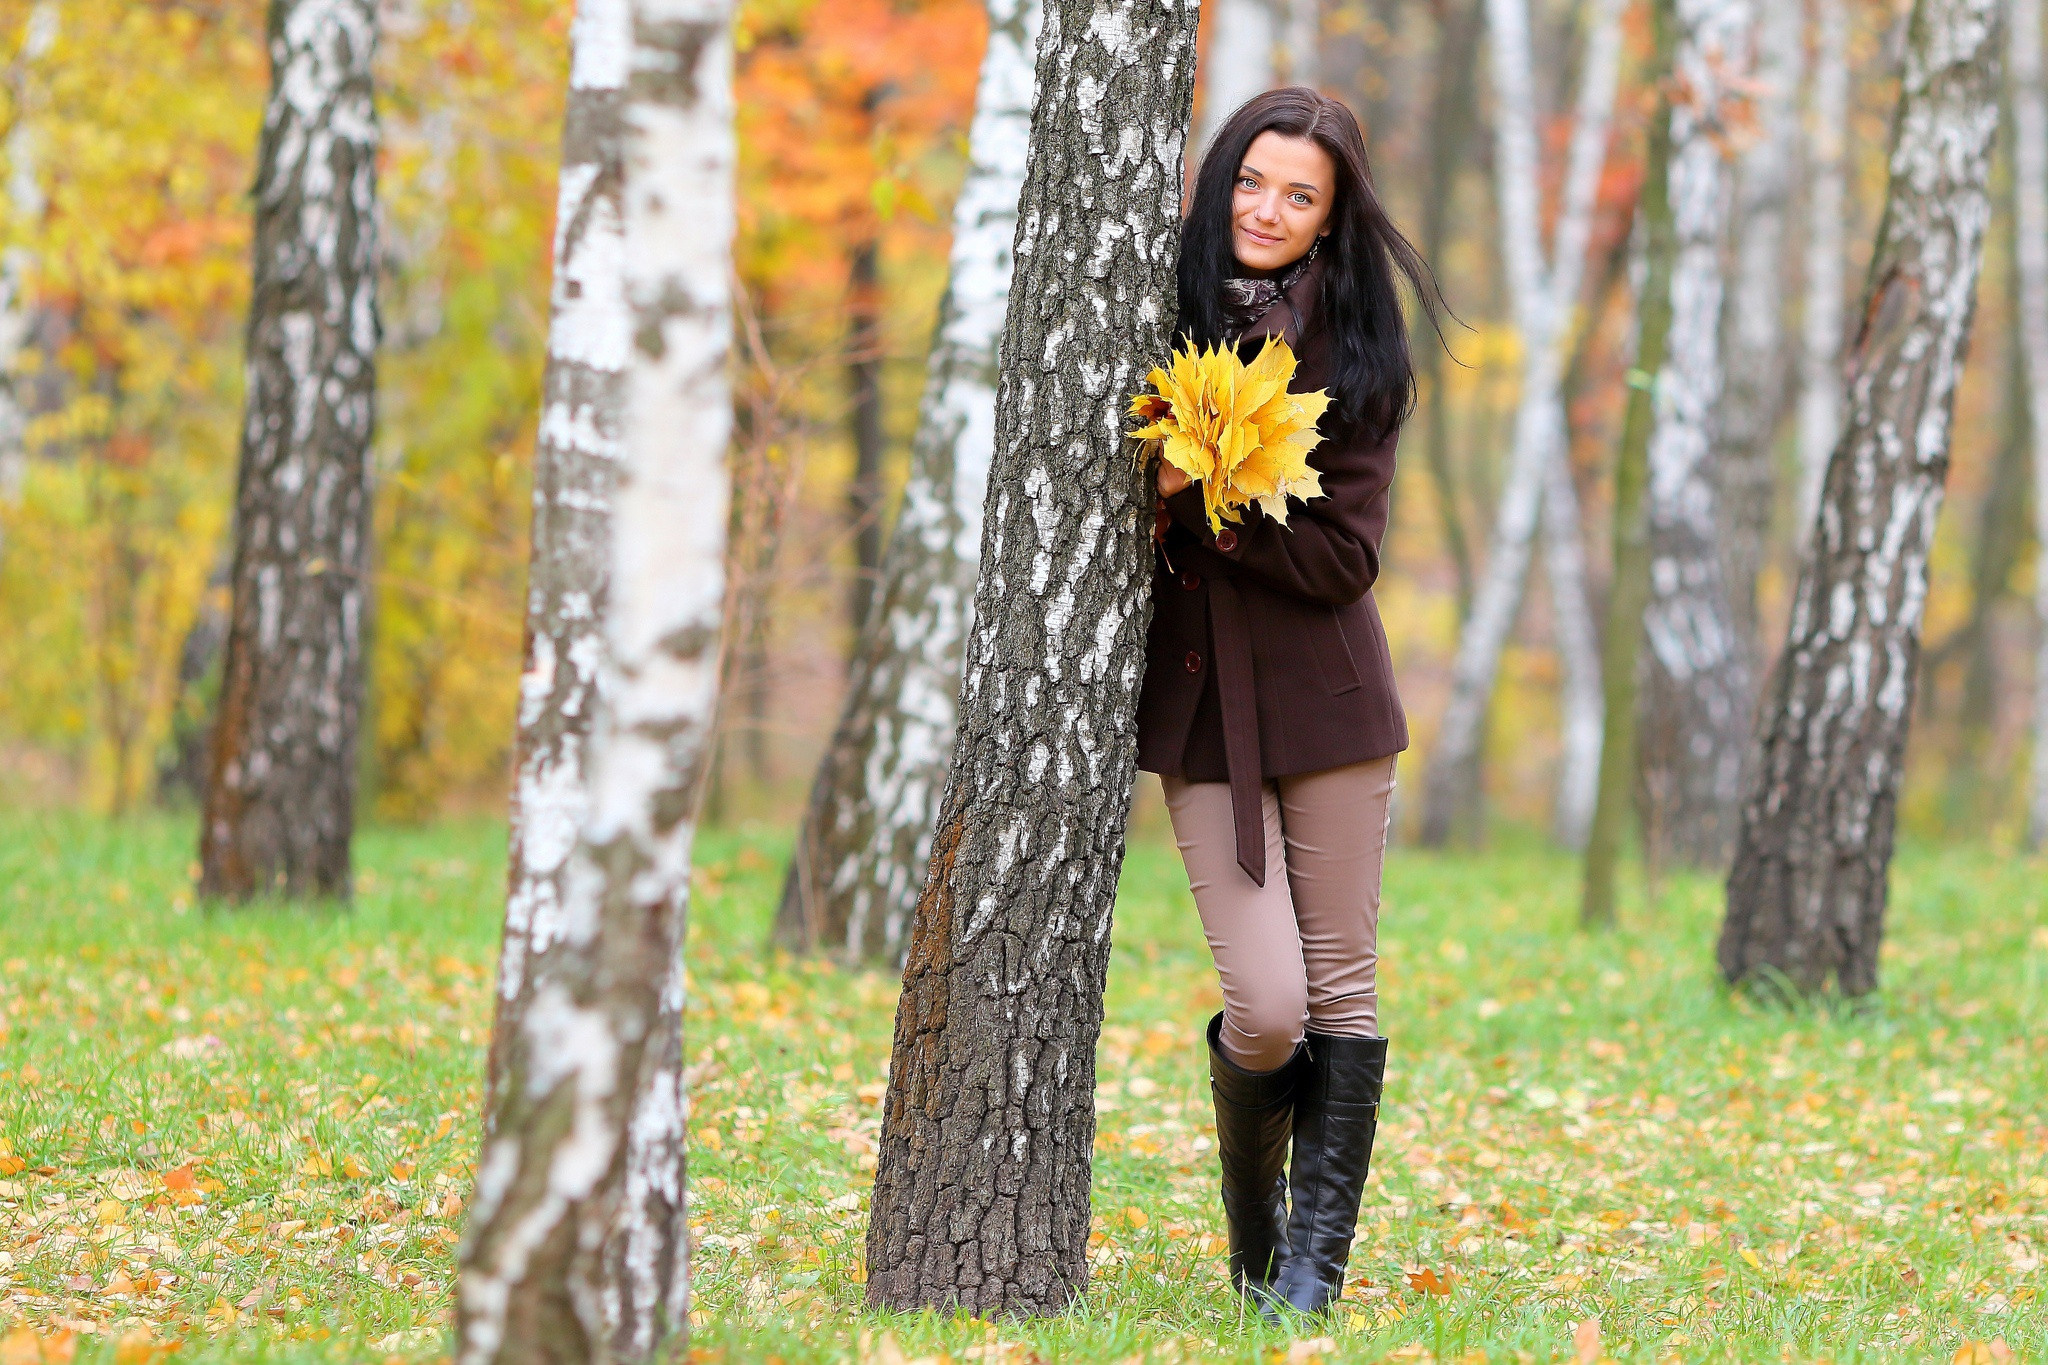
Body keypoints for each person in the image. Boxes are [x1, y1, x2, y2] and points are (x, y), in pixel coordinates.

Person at [1134, 86, 1439, 1318]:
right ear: (1220, 184)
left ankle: (1303, 1280)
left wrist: (1204, 494)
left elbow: (1340, 561)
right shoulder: (1142, 311)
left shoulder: (1358, 352)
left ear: (1329, 219)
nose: (1268, 210)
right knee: (1264, 1012)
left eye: (1298, 195)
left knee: (1341, 989)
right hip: (1202, 708)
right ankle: (1254, 1233)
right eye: (1251, 182)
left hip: (1327, 704)